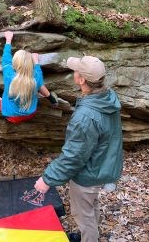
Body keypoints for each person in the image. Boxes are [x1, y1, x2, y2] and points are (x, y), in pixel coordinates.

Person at [34, 56, 123, 242]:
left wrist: (47, 179)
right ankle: (89, 235)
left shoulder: (85, 116)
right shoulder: (108, 97)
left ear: (81, 79)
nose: (73, 72)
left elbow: (73, 156)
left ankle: (89, 237)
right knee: (91, 204)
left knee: (83, 215)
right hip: (104, 165)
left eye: (76, 70)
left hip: (89, 174)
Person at [0, 31, 58, 123]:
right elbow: (41, 85)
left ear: (14, 64)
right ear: (31, 65)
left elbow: (6, 60)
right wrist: (51, 99)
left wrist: (8, 40)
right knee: (39, 86)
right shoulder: (36, 77)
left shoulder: (9, 75)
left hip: (11, 116)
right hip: (30, 114)